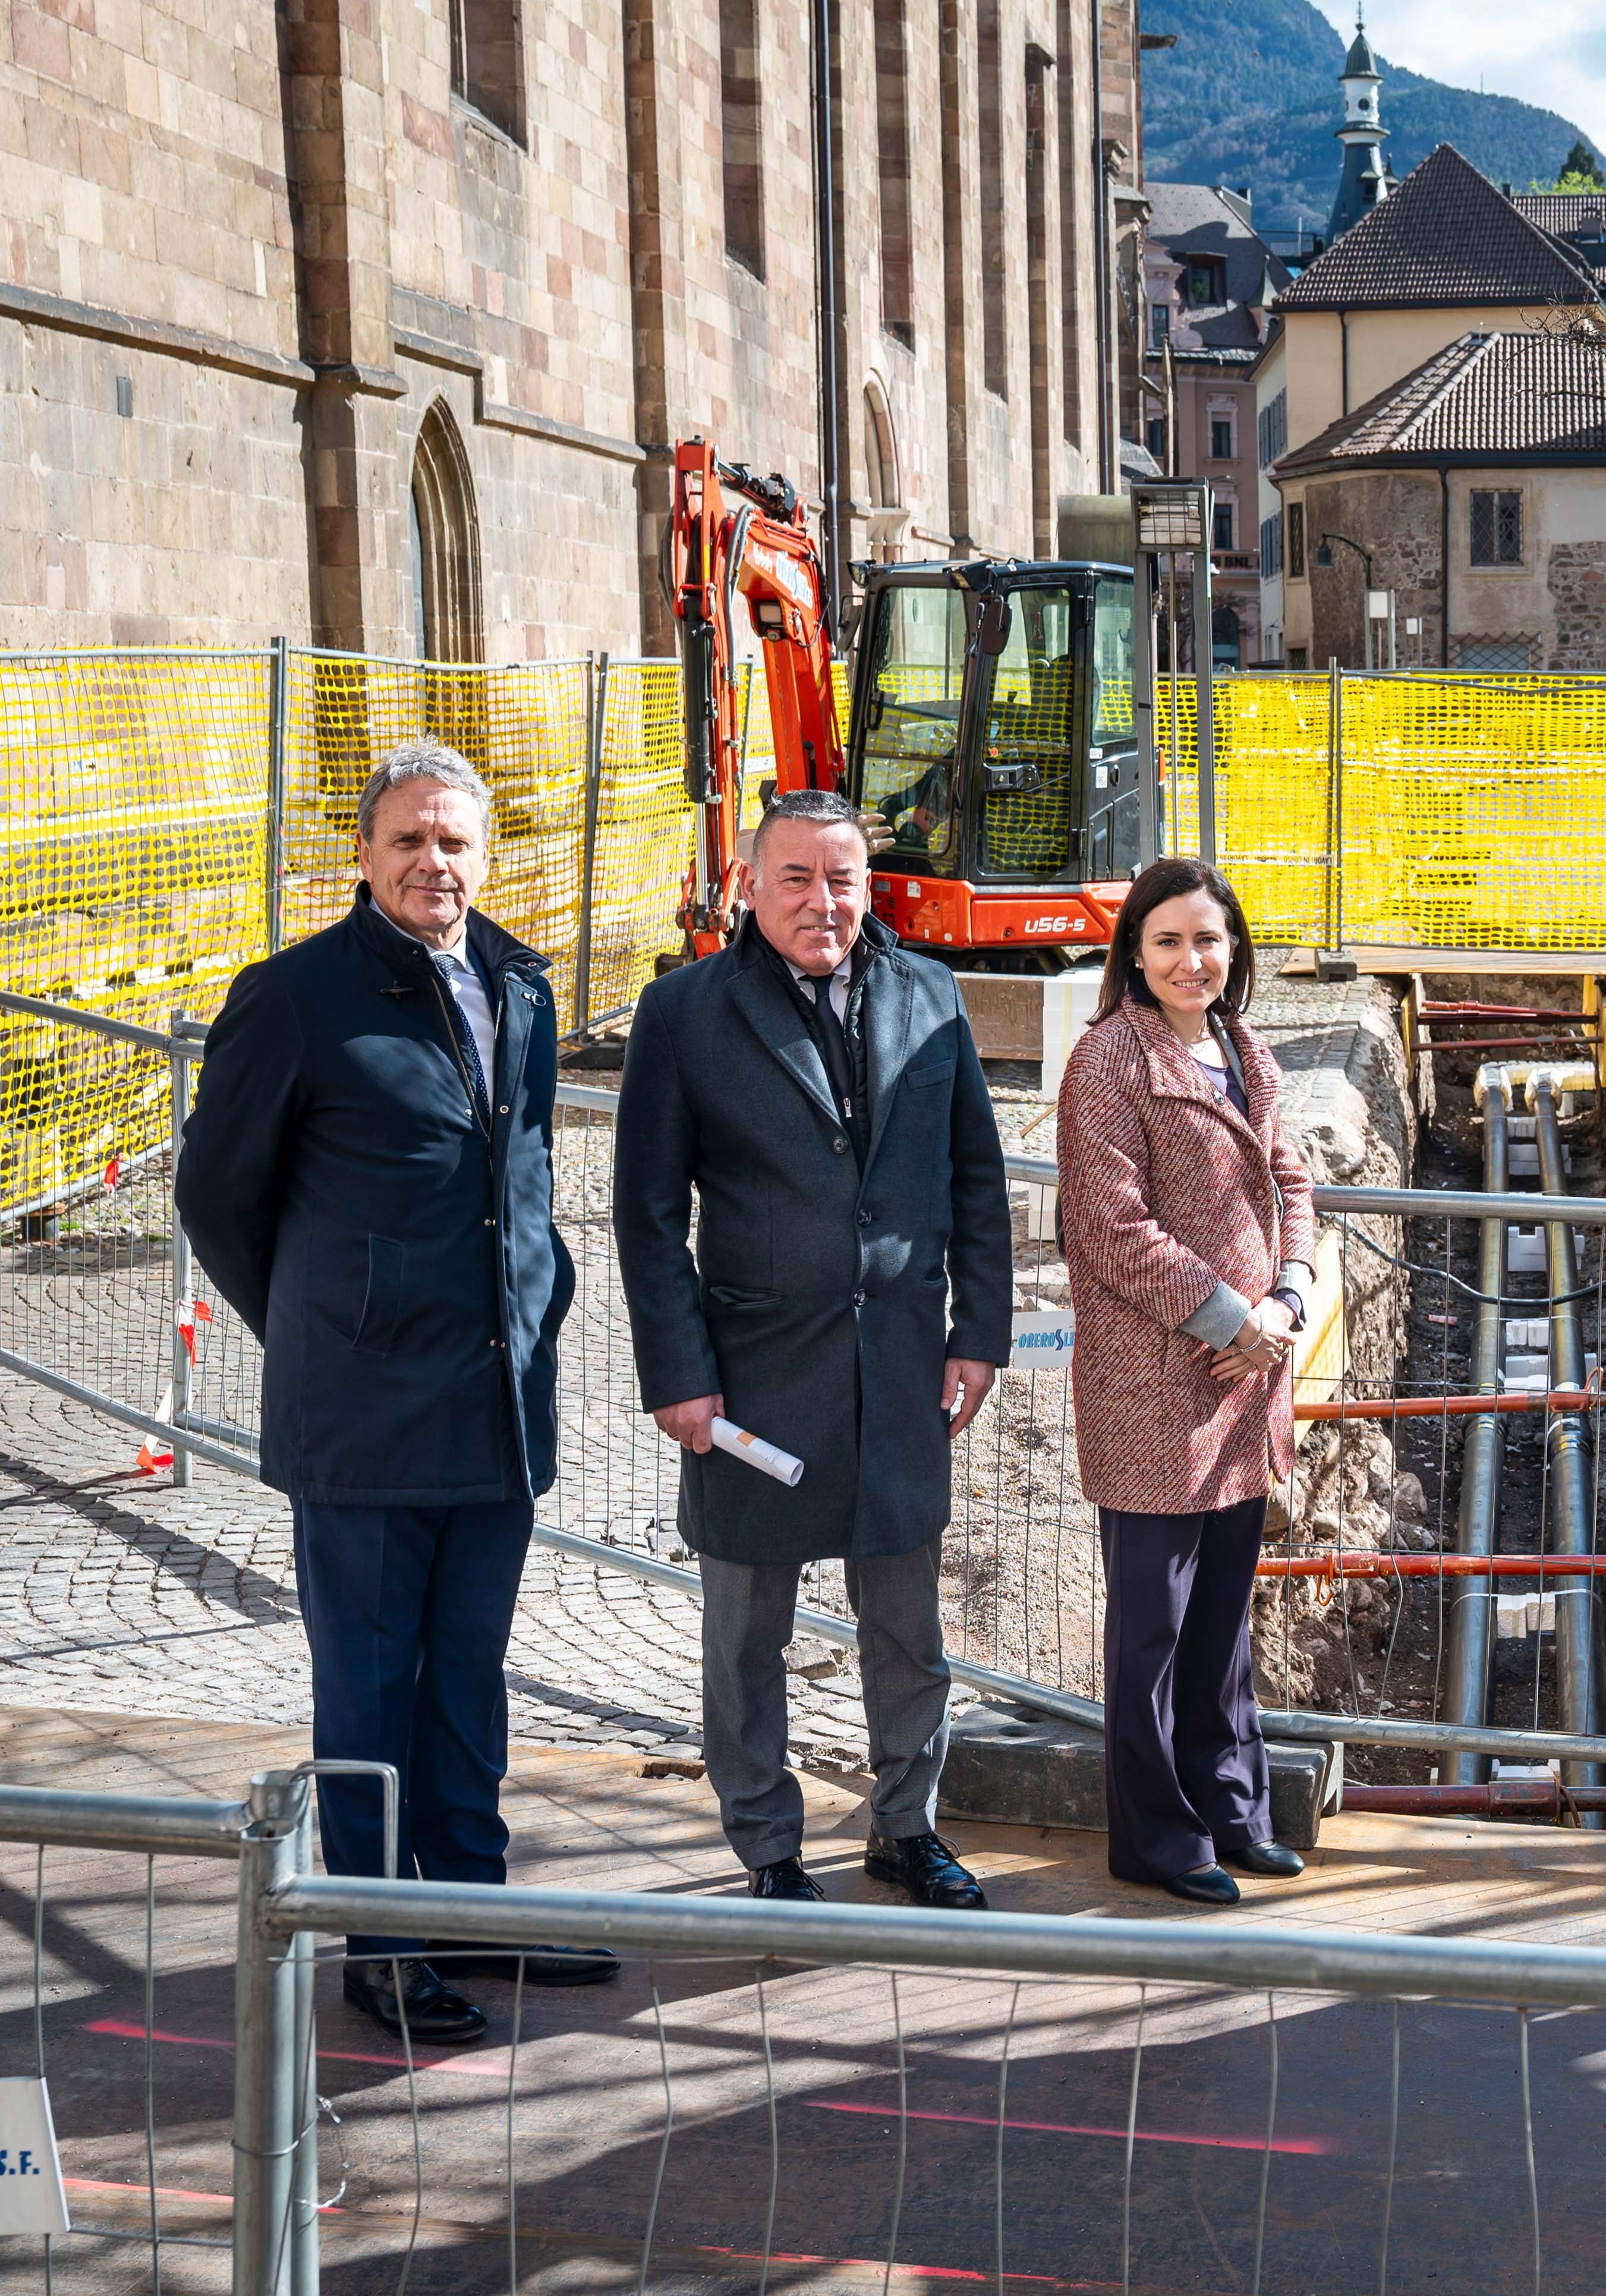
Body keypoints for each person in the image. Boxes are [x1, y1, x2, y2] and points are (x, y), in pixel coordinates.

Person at [175, 741, 609, 2043]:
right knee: (369, 1682)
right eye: (410, 840)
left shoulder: (519, 988)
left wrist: (544, 1296)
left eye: (457, 843)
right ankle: (374, 1938)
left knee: (468, 1672)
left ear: (486, 857)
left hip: (495, 1404)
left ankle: (475, 1903)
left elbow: (518, 1174)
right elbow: (217, 1194)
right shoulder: (295, 998)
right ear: (363, 857)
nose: (435, 863)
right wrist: (321, 1323)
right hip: (361, 1417)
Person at [613, 789, 1012, 1910]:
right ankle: (768, 1850)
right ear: (749, 884)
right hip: (753, 1383)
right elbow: (646, 1216)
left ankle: (906, 1828)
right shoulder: (685, 1014)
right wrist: (679, 1375)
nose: (823, 902)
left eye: (843, 878)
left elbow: (975, 1180)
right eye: (796, 877)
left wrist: (976, 1334)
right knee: (749, 1640)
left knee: (907, 1629)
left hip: (898, 1377)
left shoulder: (930, 994)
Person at [1055, 857, 1321, 1905]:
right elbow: (1112, 1231)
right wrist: (1236, 1318)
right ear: (1133, 952)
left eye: (1207, 940)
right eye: (1166, 941)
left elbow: (1291, 1180)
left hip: (1243, 1384)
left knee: (1221, 1622)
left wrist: (1289, 1300)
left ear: (1234, 949)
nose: (1190, 960)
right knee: (1153, 1633)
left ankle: (1231, 1808)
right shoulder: (1108, 1063)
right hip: (1158, 1385)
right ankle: (1158, 1839)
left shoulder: (1244, 1050)